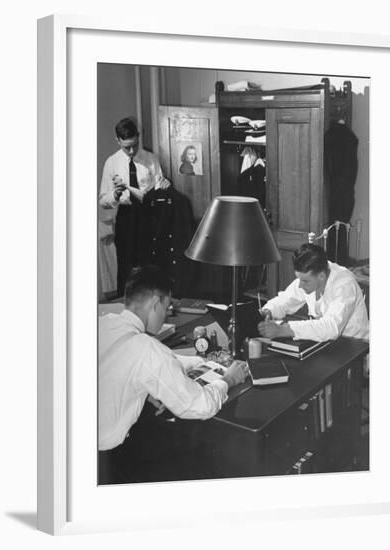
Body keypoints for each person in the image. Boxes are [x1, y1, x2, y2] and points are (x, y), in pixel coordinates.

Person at [98, 265, 248, 483]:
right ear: (156, 303)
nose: (166, 314)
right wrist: (228, 380)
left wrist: (200, 361)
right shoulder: (147, 350)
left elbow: (127, 363)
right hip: (105, 463)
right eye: (167, 307)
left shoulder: (102, 324)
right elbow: (199, 405)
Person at [99, 117, 171, 296]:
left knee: (149, 262)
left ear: (138, 137)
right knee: (126, 263)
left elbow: (158, 186)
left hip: (149, 215)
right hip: (126, 216)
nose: (131, 151)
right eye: (126, 147)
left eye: (135, 145)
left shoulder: (150, 159)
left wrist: (164, 186)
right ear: (118, 141)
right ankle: (125, 306)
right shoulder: (112, 162)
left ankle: (151, 302)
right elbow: (102, 200)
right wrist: (115, 195)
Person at [258, 243, 369, 342]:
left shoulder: (344, 284)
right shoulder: (311, 277)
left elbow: (331, 328)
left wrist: (283, 330)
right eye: (299, 279)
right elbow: (284, 300)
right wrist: (269, 310)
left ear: (321, 276)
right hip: (327, 344)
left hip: (355, 347)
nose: (300, 285)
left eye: (305, 281)